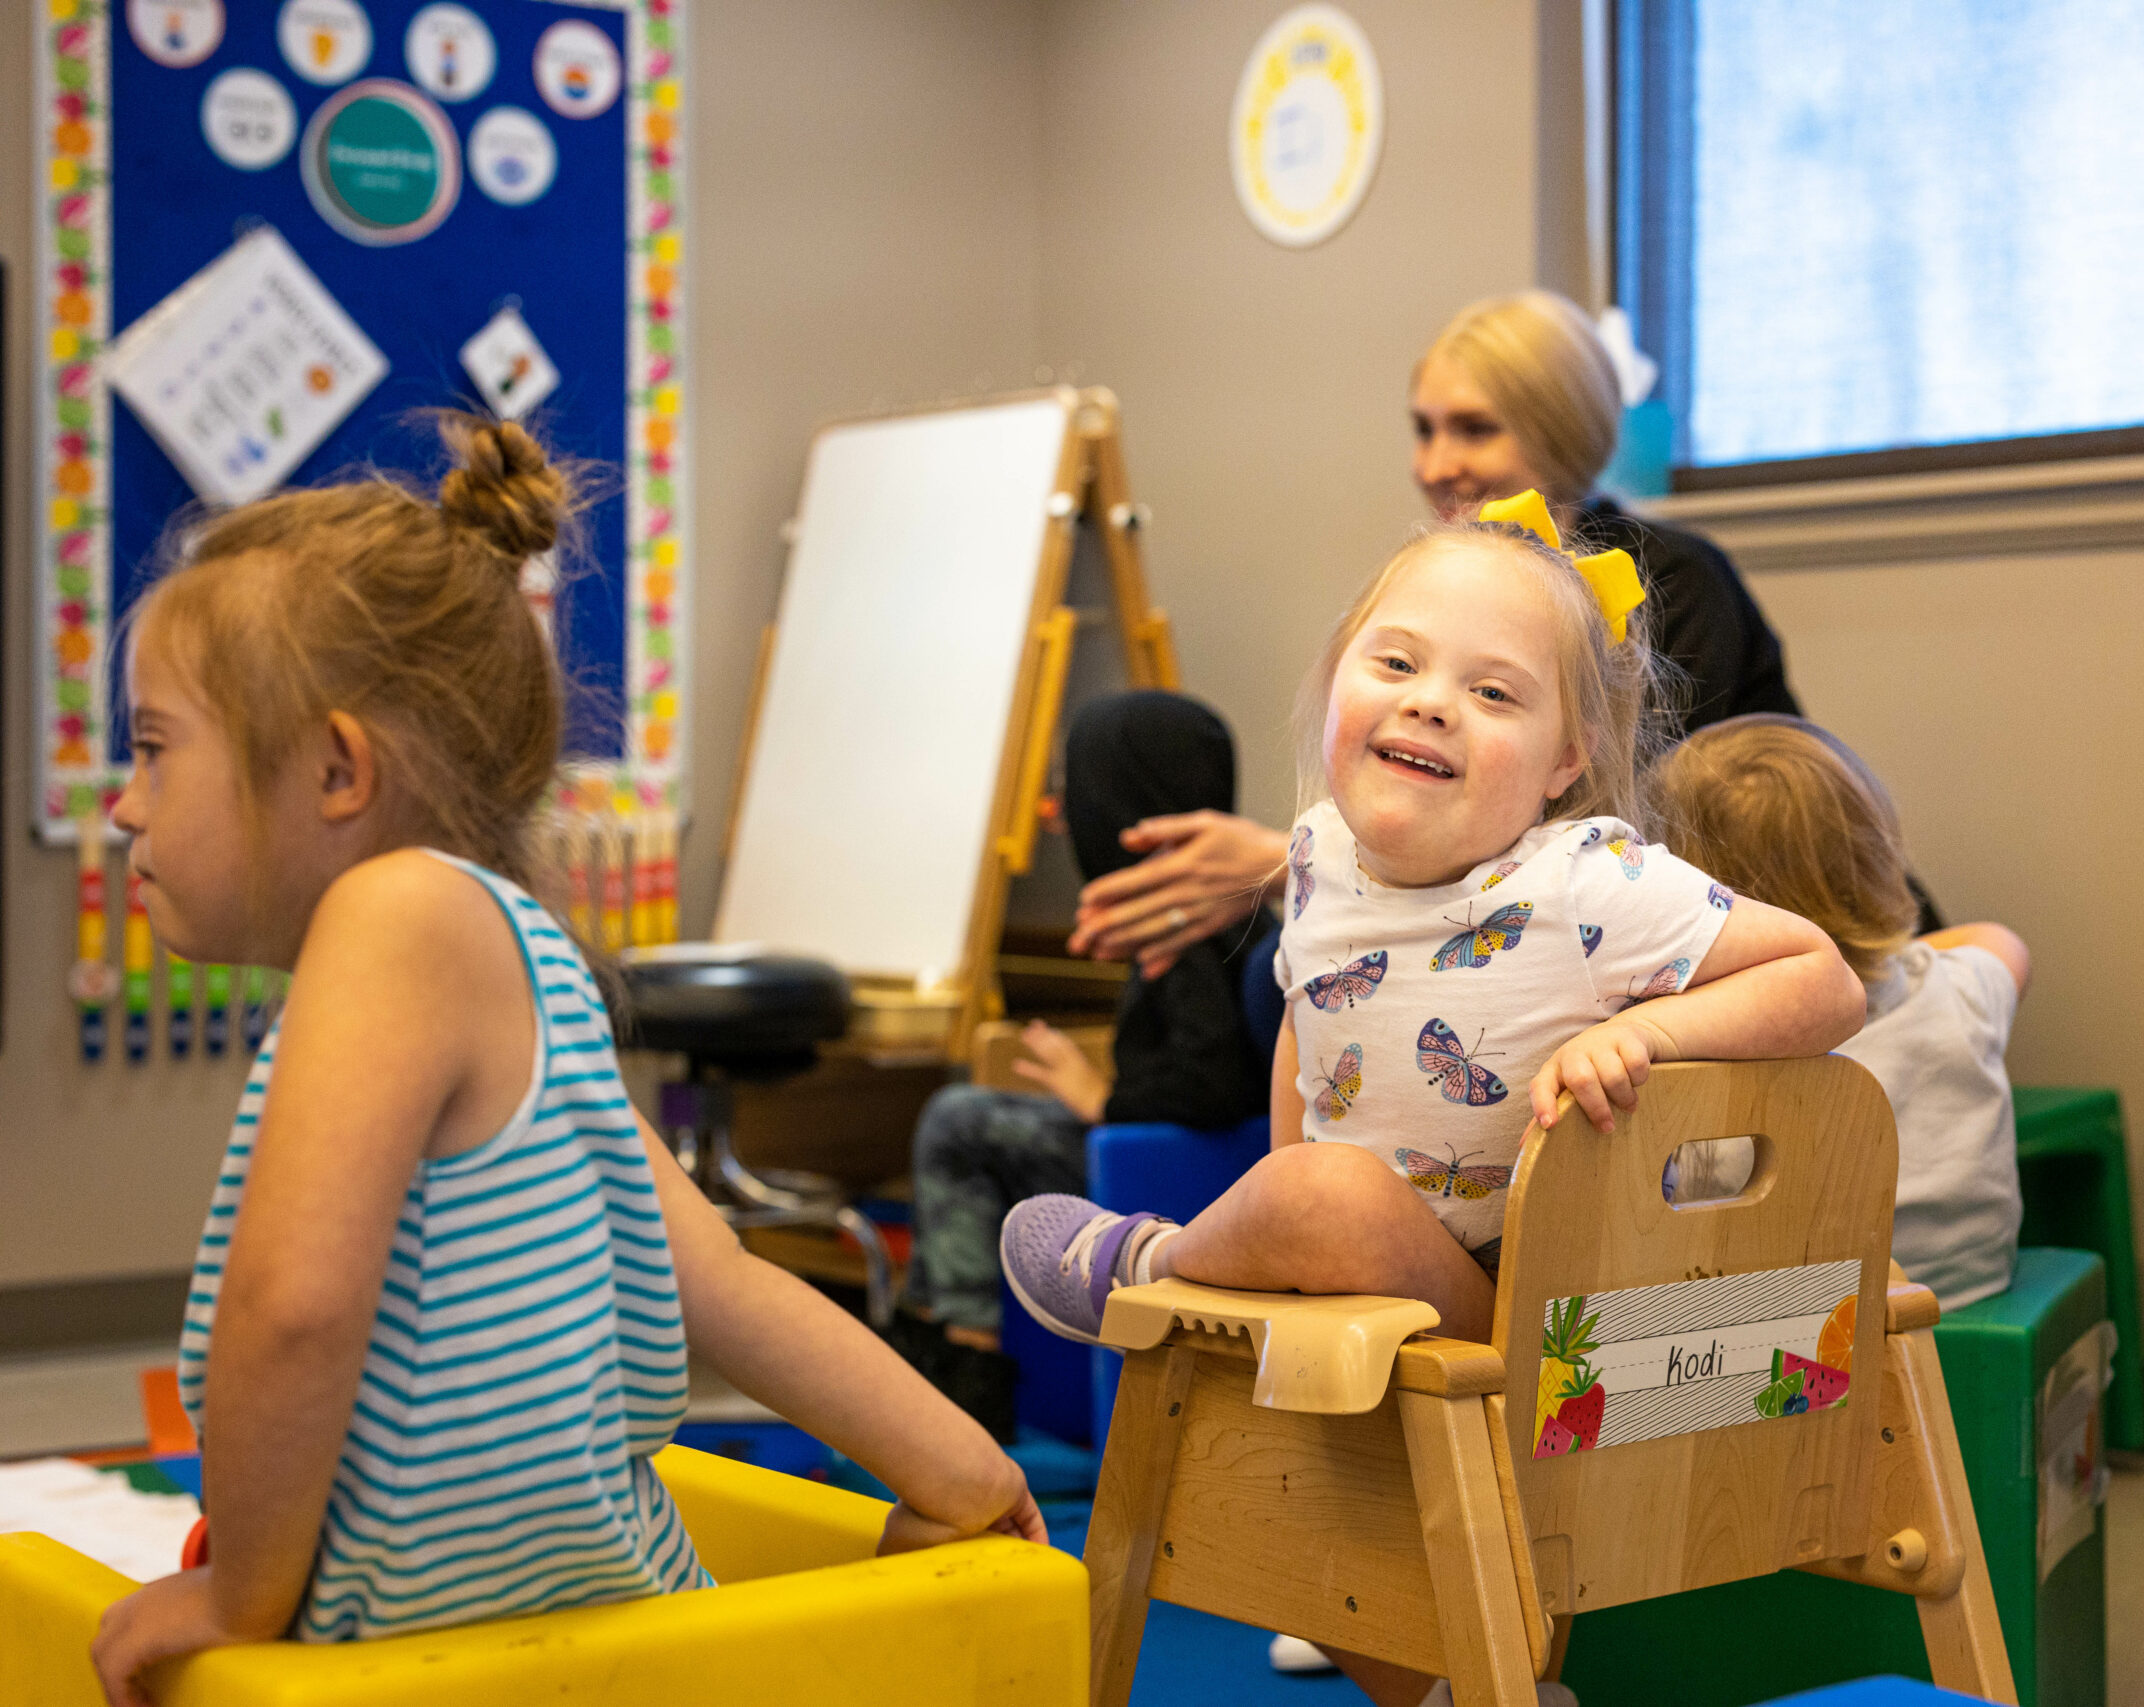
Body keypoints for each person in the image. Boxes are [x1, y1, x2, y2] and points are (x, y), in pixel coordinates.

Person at [87, 418, 1040, 1706]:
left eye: (151, 746)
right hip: (627, 1639)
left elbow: (294, 1308)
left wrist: (234, 1590)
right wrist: (961, 1470)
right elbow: (718, 1279)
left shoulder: (389, 918)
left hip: (413, 1668)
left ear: (333, 766)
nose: (122, 800)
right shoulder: (522, 959)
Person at [999, 491, 1863, 1707]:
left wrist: (1650, 1032)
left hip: (1548, 1316)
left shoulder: (1587, 878)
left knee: (1329, 1201)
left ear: (1566, 763)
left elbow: (1822, 979)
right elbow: (1311, 1020)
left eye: (1495, 693)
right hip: (1381, 1293)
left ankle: (1154, 1275)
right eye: (1394, 661)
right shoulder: (1316, 856)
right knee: (1314, 1308)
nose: (1428, 699)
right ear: (1335, 683)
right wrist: (1287, 1229)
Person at [1068, 289, 1814, 984]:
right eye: (1423, 429)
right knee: (1136, 739)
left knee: (1292, 973)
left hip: (1658, 938)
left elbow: (1616, 849)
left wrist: (1278, 862)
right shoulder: (1455, 580)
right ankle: (1163, 1086)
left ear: (1564, 434)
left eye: (1474, 430)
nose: (1433, 466)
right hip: (1439, 908)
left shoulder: (1662, 582)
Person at [903, 692, 1278, 1434]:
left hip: (1172, 1170)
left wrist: (1102, 1097)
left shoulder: (1192, 937)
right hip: (1165, 1159)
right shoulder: (1204, 919)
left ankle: (969, 1366)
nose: (1053, 813)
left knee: (960, 1123)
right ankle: (945, 1338)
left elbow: (1213, 1085)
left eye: (1072, 795)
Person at [1653, 715, 2030, 1311]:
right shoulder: (1956, 989)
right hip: (1971, 1293)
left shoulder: (1707, 1076)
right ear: (1881, 856)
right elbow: (2001, 942)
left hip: (1812, 1339)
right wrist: (1884, 944)